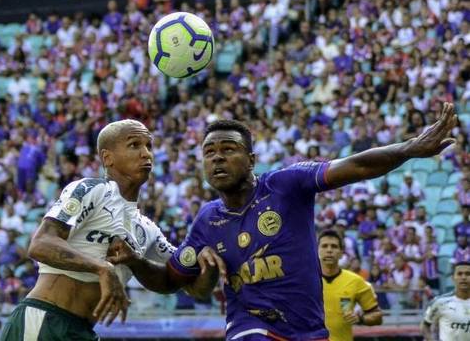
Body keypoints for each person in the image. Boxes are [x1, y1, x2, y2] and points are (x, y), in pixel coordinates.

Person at [117, 104, 455, 340]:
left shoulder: (286, 184)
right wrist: (134, 261)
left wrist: (409, 149)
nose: (217, 157)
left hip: (308, 332)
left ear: (251, 160)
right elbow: (170, 280)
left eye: (228, 149)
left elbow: (356, 166)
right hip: (249, 329)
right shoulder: (207, 221)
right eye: (209, 152)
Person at [0, 119, 201, 340]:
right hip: (45, 320)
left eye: (149, 146)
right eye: (135, 145)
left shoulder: (147, 229)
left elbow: (185, 281)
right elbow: (40, 244)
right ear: (108, 158)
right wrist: (103, 269)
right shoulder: (91, 189)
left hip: (82, 331)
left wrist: (205, 251)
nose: (146, 154)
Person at [318, 229, 382, 340]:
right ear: (317, 250)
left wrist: (360, 318)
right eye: (324, 246)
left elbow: (377, 316)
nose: (329, 250)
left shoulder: (356, 281)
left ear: (342, 252)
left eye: (334, 246)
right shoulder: (306, 281)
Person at [421, 261, 470, 341]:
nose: (463, 277)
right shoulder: (439, 302)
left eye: (468, 274)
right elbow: (425, 325)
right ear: (453, 278)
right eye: (459, 274)